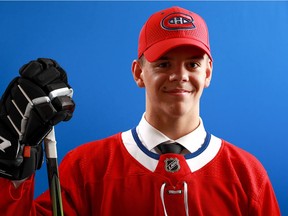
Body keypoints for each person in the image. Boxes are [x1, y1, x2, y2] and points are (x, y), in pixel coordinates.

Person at [0, 6, 280, 216]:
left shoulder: (247, 174)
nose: (179, 75)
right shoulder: (86, 168)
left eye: (192, 64)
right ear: (138, 72)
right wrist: (13, 169)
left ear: (208, 72)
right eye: (163, 64)